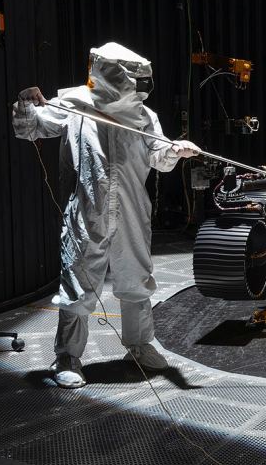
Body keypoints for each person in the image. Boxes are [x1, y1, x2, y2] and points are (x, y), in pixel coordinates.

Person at [13, 41, 201, 388]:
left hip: (131, 210)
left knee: (135, 279)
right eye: (135, 81)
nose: (140, 88)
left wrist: (176, 150)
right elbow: (28, 129)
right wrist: (26, 103)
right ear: (113, 76)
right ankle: (67, 356)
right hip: (88, 211)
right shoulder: (74, 106)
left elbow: (159, 157)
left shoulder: (143, 117)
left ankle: (140, 345)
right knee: (78, 283)